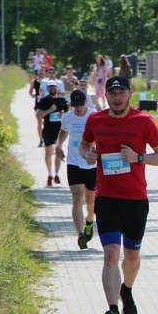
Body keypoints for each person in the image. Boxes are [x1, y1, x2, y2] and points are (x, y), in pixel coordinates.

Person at [78, 76, 158, 314]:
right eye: (112, 93)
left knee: (131, 257)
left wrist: (138, 157)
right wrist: (88, 154)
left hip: (136, 201)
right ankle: (112, 311)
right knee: (110, 254)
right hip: (106, 199)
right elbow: (84, 145)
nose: (117, 97)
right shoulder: (96, 120)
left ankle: (126, 290)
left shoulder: (144, 121)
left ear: (130, 93)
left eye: (122, 92)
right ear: (105, 95)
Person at [55, 89, 97, 250]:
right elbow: (63, 132)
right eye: (75, 106)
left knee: (90, 202)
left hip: (91, 163)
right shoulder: (67, 117)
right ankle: (80, 235)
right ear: (71, 105)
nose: (78, 109)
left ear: (86, 102)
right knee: (77, 198)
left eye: (80, 105)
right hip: (74, 162)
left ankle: (89, 221)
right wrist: (58, 146)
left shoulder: (94, 116)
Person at [35, 82, 69, 186]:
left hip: (59, 130)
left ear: (57, 88)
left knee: (58, 151)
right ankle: (49, 174)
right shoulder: (44, 100)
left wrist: (63, 114)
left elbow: (68, 113)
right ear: (48, 88)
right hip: (48, 130)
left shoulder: (61, 100)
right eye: (50, 87)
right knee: (48, 153)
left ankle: (57, 174)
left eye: (54, 86)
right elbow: (38, 115)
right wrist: (50, 110)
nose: (52, 88)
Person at [29, 70, 45, 147]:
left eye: (42, 72)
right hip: (38, 104)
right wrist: (32, 94)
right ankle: (41, 140)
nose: (41, 73)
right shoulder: (34, 82)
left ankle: (46, 138)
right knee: (39, 121)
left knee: (46, 122)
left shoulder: (47, 82)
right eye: (39, 72)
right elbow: (30, 91)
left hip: (47, 103)